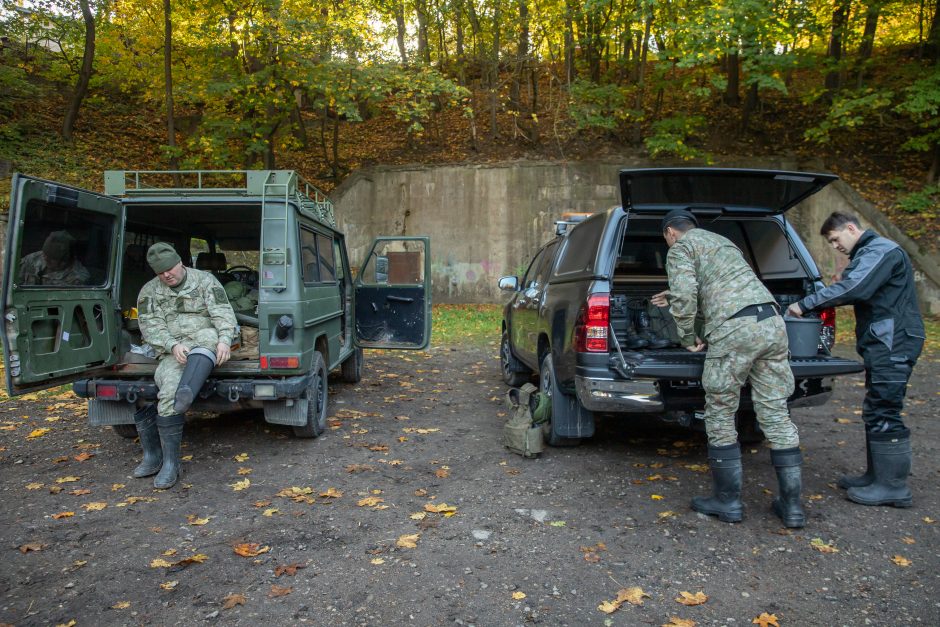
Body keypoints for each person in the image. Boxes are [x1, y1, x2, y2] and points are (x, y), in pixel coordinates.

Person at [651, 209, 804, 528]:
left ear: (670, 233)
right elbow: (725, 285)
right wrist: (675, 295)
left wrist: (688, 336)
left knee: (720, 409)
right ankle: (792, 508)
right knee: (775, 412)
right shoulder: (723, 243)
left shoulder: (681, 247)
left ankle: (728, 501)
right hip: (772, 323)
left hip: (735, 330)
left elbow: (684, 295)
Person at [787, 211, 924, 508]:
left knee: (885, 409)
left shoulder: (881, 251)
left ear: (851, 228)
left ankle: (893, 487)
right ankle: (876, 477)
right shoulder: (872, 252)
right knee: (876, 407)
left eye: (836, 239)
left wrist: (804, 304)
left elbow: (854, 287)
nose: (835, 246)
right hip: (886, 341)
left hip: (894, 343)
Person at [133, 242, 237, 489]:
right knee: (167, 392)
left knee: (208, 338)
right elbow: (149, 325)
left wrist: (225, 340)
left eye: (170, 269)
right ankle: (166, 461)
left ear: (181, 262)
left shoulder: (205, 281)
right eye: (160, 272)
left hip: (205, 342)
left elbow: (222, 313)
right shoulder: (149, 292)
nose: (166, 275)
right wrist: (171, 345)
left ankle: (187, 391)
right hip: (175, 351)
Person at [18, 230, 90, 286]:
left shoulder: (78, 279)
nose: (45, 258)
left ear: (64, 261)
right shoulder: (33, 258)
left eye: (51, 258)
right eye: (45, 253)